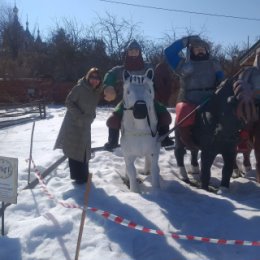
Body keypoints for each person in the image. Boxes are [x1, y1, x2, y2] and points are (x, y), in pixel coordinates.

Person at [164, 35, 224, 181]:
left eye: (202, 48)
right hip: (189, 101)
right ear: (191, 50)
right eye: (197, 48)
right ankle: (182, 156)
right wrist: (185, 41)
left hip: (210, 100)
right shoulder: (184, 65)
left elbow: (222, 80)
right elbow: (169, 52)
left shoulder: (214, 64)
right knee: (182, 121)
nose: (200, 50)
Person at [103, 39, 174, 150]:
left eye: (136, 50)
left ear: (140, 52)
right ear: (127, 52)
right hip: (128, 101)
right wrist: (109, 86)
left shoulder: (147, 67)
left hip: (148, 100)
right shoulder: (122, 69)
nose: (133, 52)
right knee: (113, 120)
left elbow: (156, 79)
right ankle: (112, 141)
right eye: (131, 50)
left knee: (164, 114)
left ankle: (164, 137)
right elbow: (110, 74)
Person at [54, 67, 102, 184]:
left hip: (85, 124)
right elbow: (69, 102)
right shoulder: (80, 88)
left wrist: (92, 116)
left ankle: (83, 175)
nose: (94, 80)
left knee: (84, 150)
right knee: (74, 149)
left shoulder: (96, 91)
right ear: (87, 77)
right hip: (73, 123)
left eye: (97, 78)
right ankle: (78, 178)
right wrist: (80, 116)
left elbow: (92, 107)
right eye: (92, 77)